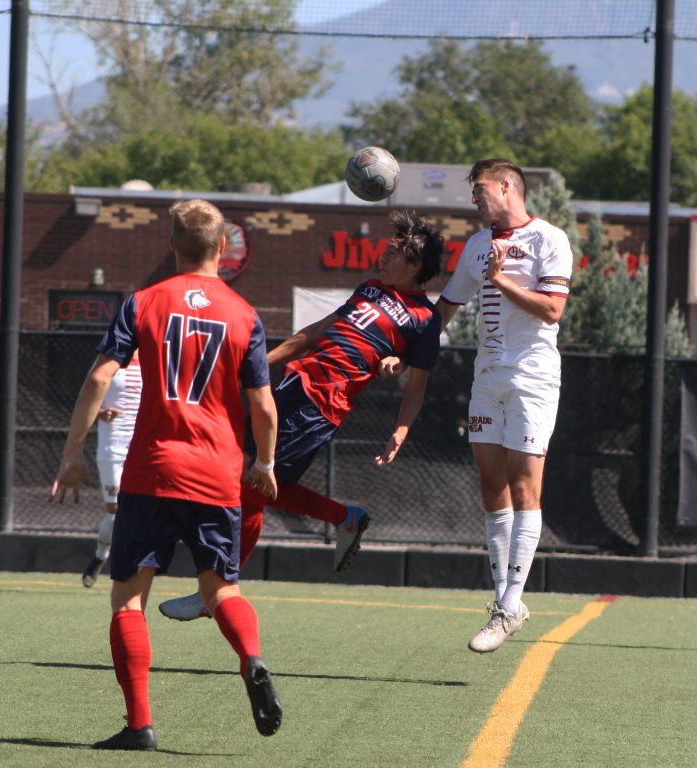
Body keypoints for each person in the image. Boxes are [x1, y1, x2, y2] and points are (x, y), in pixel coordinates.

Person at [49, 199, 282, 750]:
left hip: (152, 471)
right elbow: (264, 407)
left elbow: (99, 378)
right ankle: (250, 657)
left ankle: (140, 726)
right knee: (220, 587)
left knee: (129, 598)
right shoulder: (244, 313)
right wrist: (266, 464)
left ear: (172, 247)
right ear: (223, 247)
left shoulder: (143, 302)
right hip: (217, 473)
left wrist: (72, 453)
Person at [157, 208, 445, 622]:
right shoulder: (369, 289)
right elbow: (312, 334)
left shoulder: (424, 319)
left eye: (392, 254)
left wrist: (400, 429)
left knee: (252, 489)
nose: (382, 259)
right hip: (291, 386)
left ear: (415, 264)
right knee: (262, 480)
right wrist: (253, 366)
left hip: (318, 408)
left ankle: (218, 589)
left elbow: (416, 387)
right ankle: (346, 518)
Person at [435, 159, 573, 654]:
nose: (474, 199)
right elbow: (448, 306)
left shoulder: (549, 239)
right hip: (487, 376)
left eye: (480, 189)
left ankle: (509, 602)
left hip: (533, 378)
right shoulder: (476, 245)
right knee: (491, 485)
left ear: (508, 186)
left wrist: (502, 281)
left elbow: (553, 309)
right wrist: (406, 347)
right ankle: (506, 604)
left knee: (523, 486)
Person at [82, 349, 142, 588]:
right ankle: (101, 553)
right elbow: (86, 396)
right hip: (113, 444)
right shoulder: (110, 357)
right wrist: (100, 413)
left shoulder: (157, 355)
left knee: (140, 508)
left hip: (144, 444)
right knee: (116, 509)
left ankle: (133, 564)